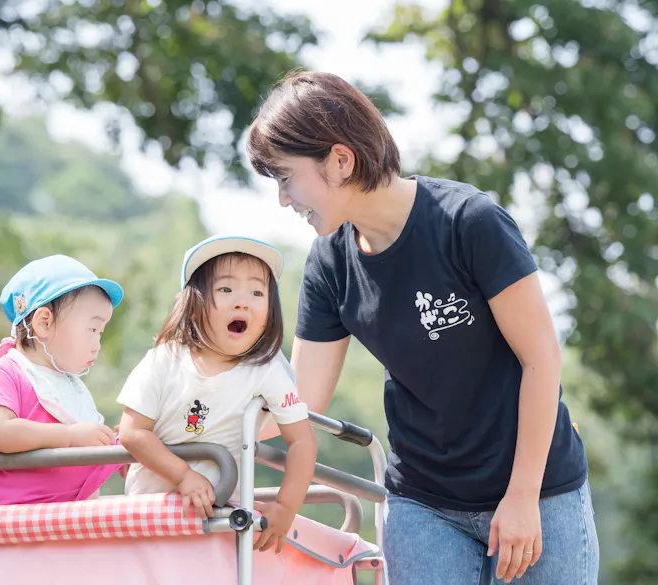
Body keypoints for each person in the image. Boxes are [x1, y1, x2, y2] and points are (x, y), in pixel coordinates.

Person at [244, 69, 598, 584]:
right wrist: (197, 429)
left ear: (340, 160)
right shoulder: (329, 262)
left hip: (537, 491)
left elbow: (541, 359)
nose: (282, 199)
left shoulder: (469, 222)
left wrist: (522, 496)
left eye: (284, 177)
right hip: (424, 503)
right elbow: (301, 401)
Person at [116, 235, 316, 554]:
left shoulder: (267, 369)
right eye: (225, 289)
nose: (242, 301)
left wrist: (286, 506)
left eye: (257, 292)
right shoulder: (164, 358)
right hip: (150, 516)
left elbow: (302, 441)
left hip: (214, 521)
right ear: (192, 305)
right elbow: (132, 432)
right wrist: (184, 476)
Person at [0, 255, 124, 505]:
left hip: (79, 522)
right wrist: (70, 436)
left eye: (100, 333)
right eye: (92, 329)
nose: (97, 345)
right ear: (44, 323)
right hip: (25, 521)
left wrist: (116, 448)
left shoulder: (68, 385)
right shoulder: (4, 372)